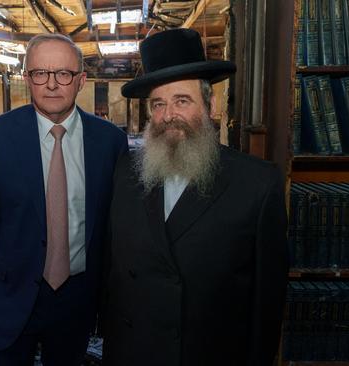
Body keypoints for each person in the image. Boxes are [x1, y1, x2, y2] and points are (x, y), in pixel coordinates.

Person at [102, 28, 288, 365]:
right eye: (158, 104)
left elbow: (267, 306)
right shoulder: (125, 172)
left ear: (210, 105)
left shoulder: (258, 184)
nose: (168, 114)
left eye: (182, 101)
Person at [0, 33, 128, 366]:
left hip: (77, 301)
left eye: (63, 74)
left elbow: (116, 230)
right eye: (40, 74)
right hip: (8, 297)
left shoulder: (110, 143)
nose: (51, 84)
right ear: (27, 78)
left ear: (81, 80)